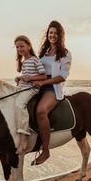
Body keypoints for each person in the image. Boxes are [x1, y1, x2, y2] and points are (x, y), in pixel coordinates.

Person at [31, 20, 72, 165]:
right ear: (47, 35)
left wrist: (43, 83)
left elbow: (62, 76)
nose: (53, 35)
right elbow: (36, 70)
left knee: (41, 111)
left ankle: (46, 151)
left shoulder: (65, 54)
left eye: (56, 33)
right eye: (51, 33)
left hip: (53, 88)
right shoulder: (43, 53)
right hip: (38, 85)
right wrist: (26, 78)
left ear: (60, 36)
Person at [13, 35, 47, 155]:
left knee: (20, 104)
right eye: (17, 47)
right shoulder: (24, 61)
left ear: (29, 46)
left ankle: (24, 138)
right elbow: (26, 77)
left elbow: (44, 76)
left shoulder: (34, 59)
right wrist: (20, 79)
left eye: (22, 46)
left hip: (32, 89)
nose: (19, 49)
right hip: (23, 87)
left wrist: (29, 78)